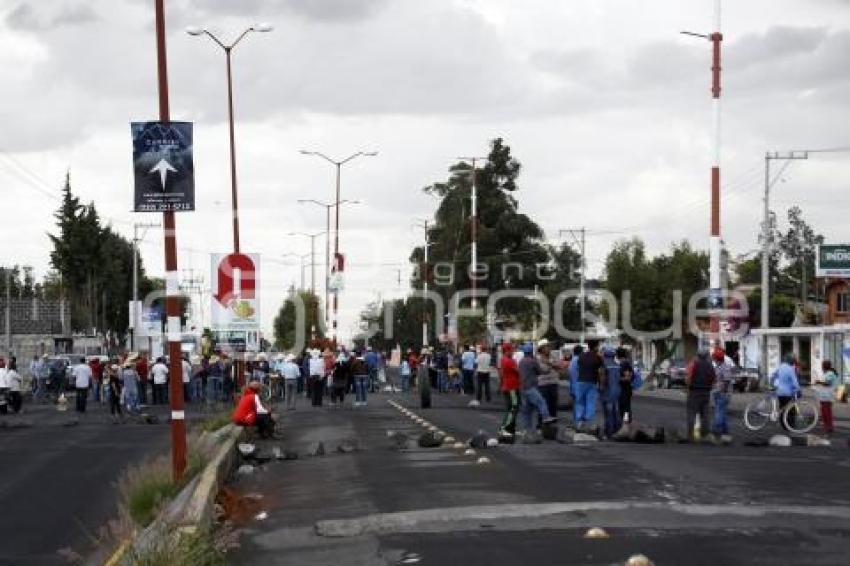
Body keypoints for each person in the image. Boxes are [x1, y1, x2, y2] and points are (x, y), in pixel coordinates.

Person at [518, 342, 556, 434]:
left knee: (527, 410)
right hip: (531, 387)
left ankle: (527, 429)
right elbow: (541, 372)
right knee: (541, 402)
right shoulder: (532, 361)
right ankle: (546, 417)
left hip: (523, 388)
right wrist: (550, 367)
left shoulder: (521, 361)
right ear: (531, 352)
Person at [686, 350, 716, 441]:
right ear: (707, 356)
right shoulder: (710, 365)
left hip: (694, 391)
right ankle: (705, 434)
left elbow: (689, 377)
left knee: (691, 413)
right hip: (706, 392)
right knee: (705, 414)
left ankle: (690, 435)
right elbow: (713, 378)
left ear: (697, 356)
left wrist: (688, 388)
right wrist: (709, 387)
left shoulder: (694, 364)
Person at [574, 341, 603, 431]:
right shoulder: (597, 357)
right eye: (598, 346)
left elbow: (578, 368)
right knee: (590, 402)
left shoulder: (581, 356)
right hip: (592, 382)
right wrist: (600, 384)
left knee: (580, 402)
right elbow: (600, 372)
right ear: (595, 347)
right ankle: (589, 422)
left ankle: (579, 422)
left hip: (581, 381)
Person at [771, 353, 801, 431]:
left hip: (779, 392)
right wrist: (798, 390)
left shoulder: (780, 367)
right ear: (790, 361)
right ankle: (790, 426)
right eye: (793, 360)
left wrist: (772, 385)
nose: (793, 362)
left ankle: (783, 425)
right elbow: (795, 382)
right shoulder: (790, 369)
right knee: (791, 410)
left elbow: (773, 376)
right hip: (788, 392)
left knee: (782, 407)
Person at [498, 343, 521, 437]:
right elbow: (519, 371)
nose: (512, 351)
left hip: (509, 386)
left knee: (513, 408)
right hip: (511, 388)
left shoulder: (503, 360)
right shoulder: (509, 361)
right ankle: (504, 428)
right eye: (511, 350)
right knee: (512, 408)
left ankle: (511, 429)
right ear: (507, 351)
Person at [711, 347, 733, 438]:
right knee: (722, 411)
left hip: (723, 393)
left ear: (717, 358)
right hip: (717, 392)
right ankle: (725, 431)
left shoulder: (725, 367)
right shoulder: (717, 367)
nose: (713, 360)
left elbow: (727, 380)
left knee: (719, 411)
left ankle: (716, 430)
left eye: (714, 358)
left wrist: (723, 391)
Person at [536, 339, 561, 419]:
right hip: (542, 384)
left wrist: (550, 363)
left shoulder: (554, 356)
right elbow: (542, 370)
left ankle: (553, 421)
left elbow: (559, 366)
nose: (548, 348)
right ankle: (542, 423)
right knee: (543, 404)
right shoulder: (537, 358)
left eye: (549, 346)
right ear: (541, 349)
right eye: (546, 347)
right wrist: (552, 364)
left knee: (553, 404)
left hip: (553, 383)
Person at [600, 348, 622, 438]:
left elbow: (602, 378)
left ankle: (608, 432)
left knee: (607, 412)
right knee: (615, 411)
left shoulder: (604, 365)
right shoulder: (617, 365)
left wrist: (600, 388)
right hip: (617, 391)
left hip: (607, 391)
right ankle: (616, 430)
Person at [815, 360, 838, 435]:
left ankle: (828, 427)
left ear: (825, 366)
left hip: (827, 396)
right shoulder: (827, 373)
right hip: (824, 396)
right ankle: (827, 426)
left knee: (826, 412)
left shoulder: (830, 374)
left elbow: (827, 383)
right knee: (825, 411)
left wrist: (819, 382)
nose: (821, 367)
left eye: (822, 365)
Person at [617, 347, 634, 423]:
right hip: (623, 390)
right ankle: (624, 422)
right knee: (623, 408)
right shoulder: (622, 364)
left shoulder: (625, 364)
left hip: (625, 390)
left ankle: (626, 422)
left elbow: (627, 378)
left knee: (625, 408)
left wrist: (617, 379)